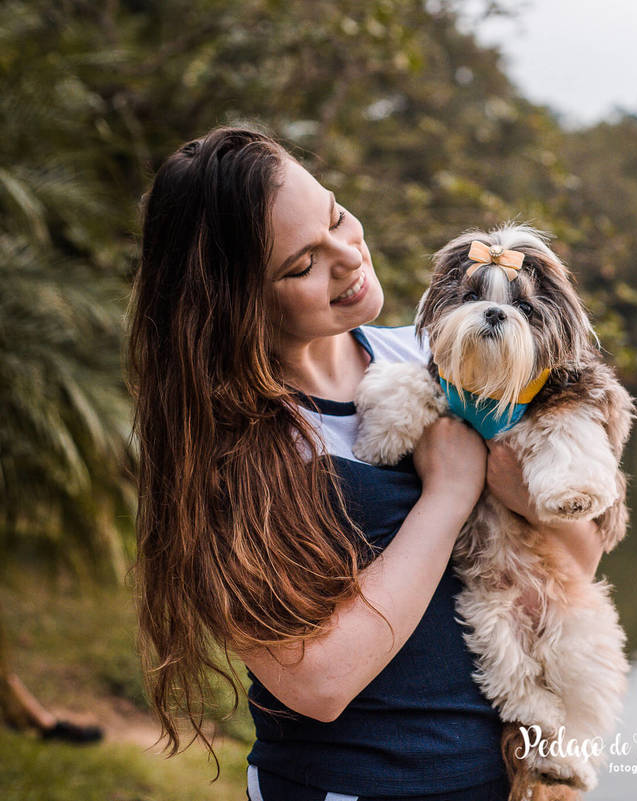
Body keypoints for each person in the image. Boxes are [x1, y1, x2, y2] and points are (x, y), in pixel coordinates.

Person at [127, 126, 604, 800]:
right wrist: (449, 492)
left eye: (335, 217)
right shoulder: (227, 449)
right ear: (236, 306)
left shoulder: (433, 356)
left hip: (498, 779)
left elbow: (579, 559)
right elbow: (317, 683)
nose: (348, 259)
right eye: (302, 266)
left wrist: (516, 480)